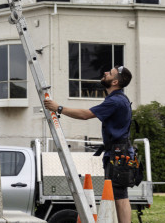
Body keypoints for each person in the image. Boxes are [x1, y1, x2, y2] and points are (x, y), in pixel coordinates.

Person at [44, 65, 134, 223]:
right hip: (119, 151)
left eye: (110, 73)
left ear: (114, 82)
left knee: (120, 195)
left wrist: (58, 108)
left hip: (118, 153)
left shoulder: (116, 101)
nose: (105, 72)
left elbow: (86, 115)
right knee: (120, 194)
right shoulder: (118, 99)